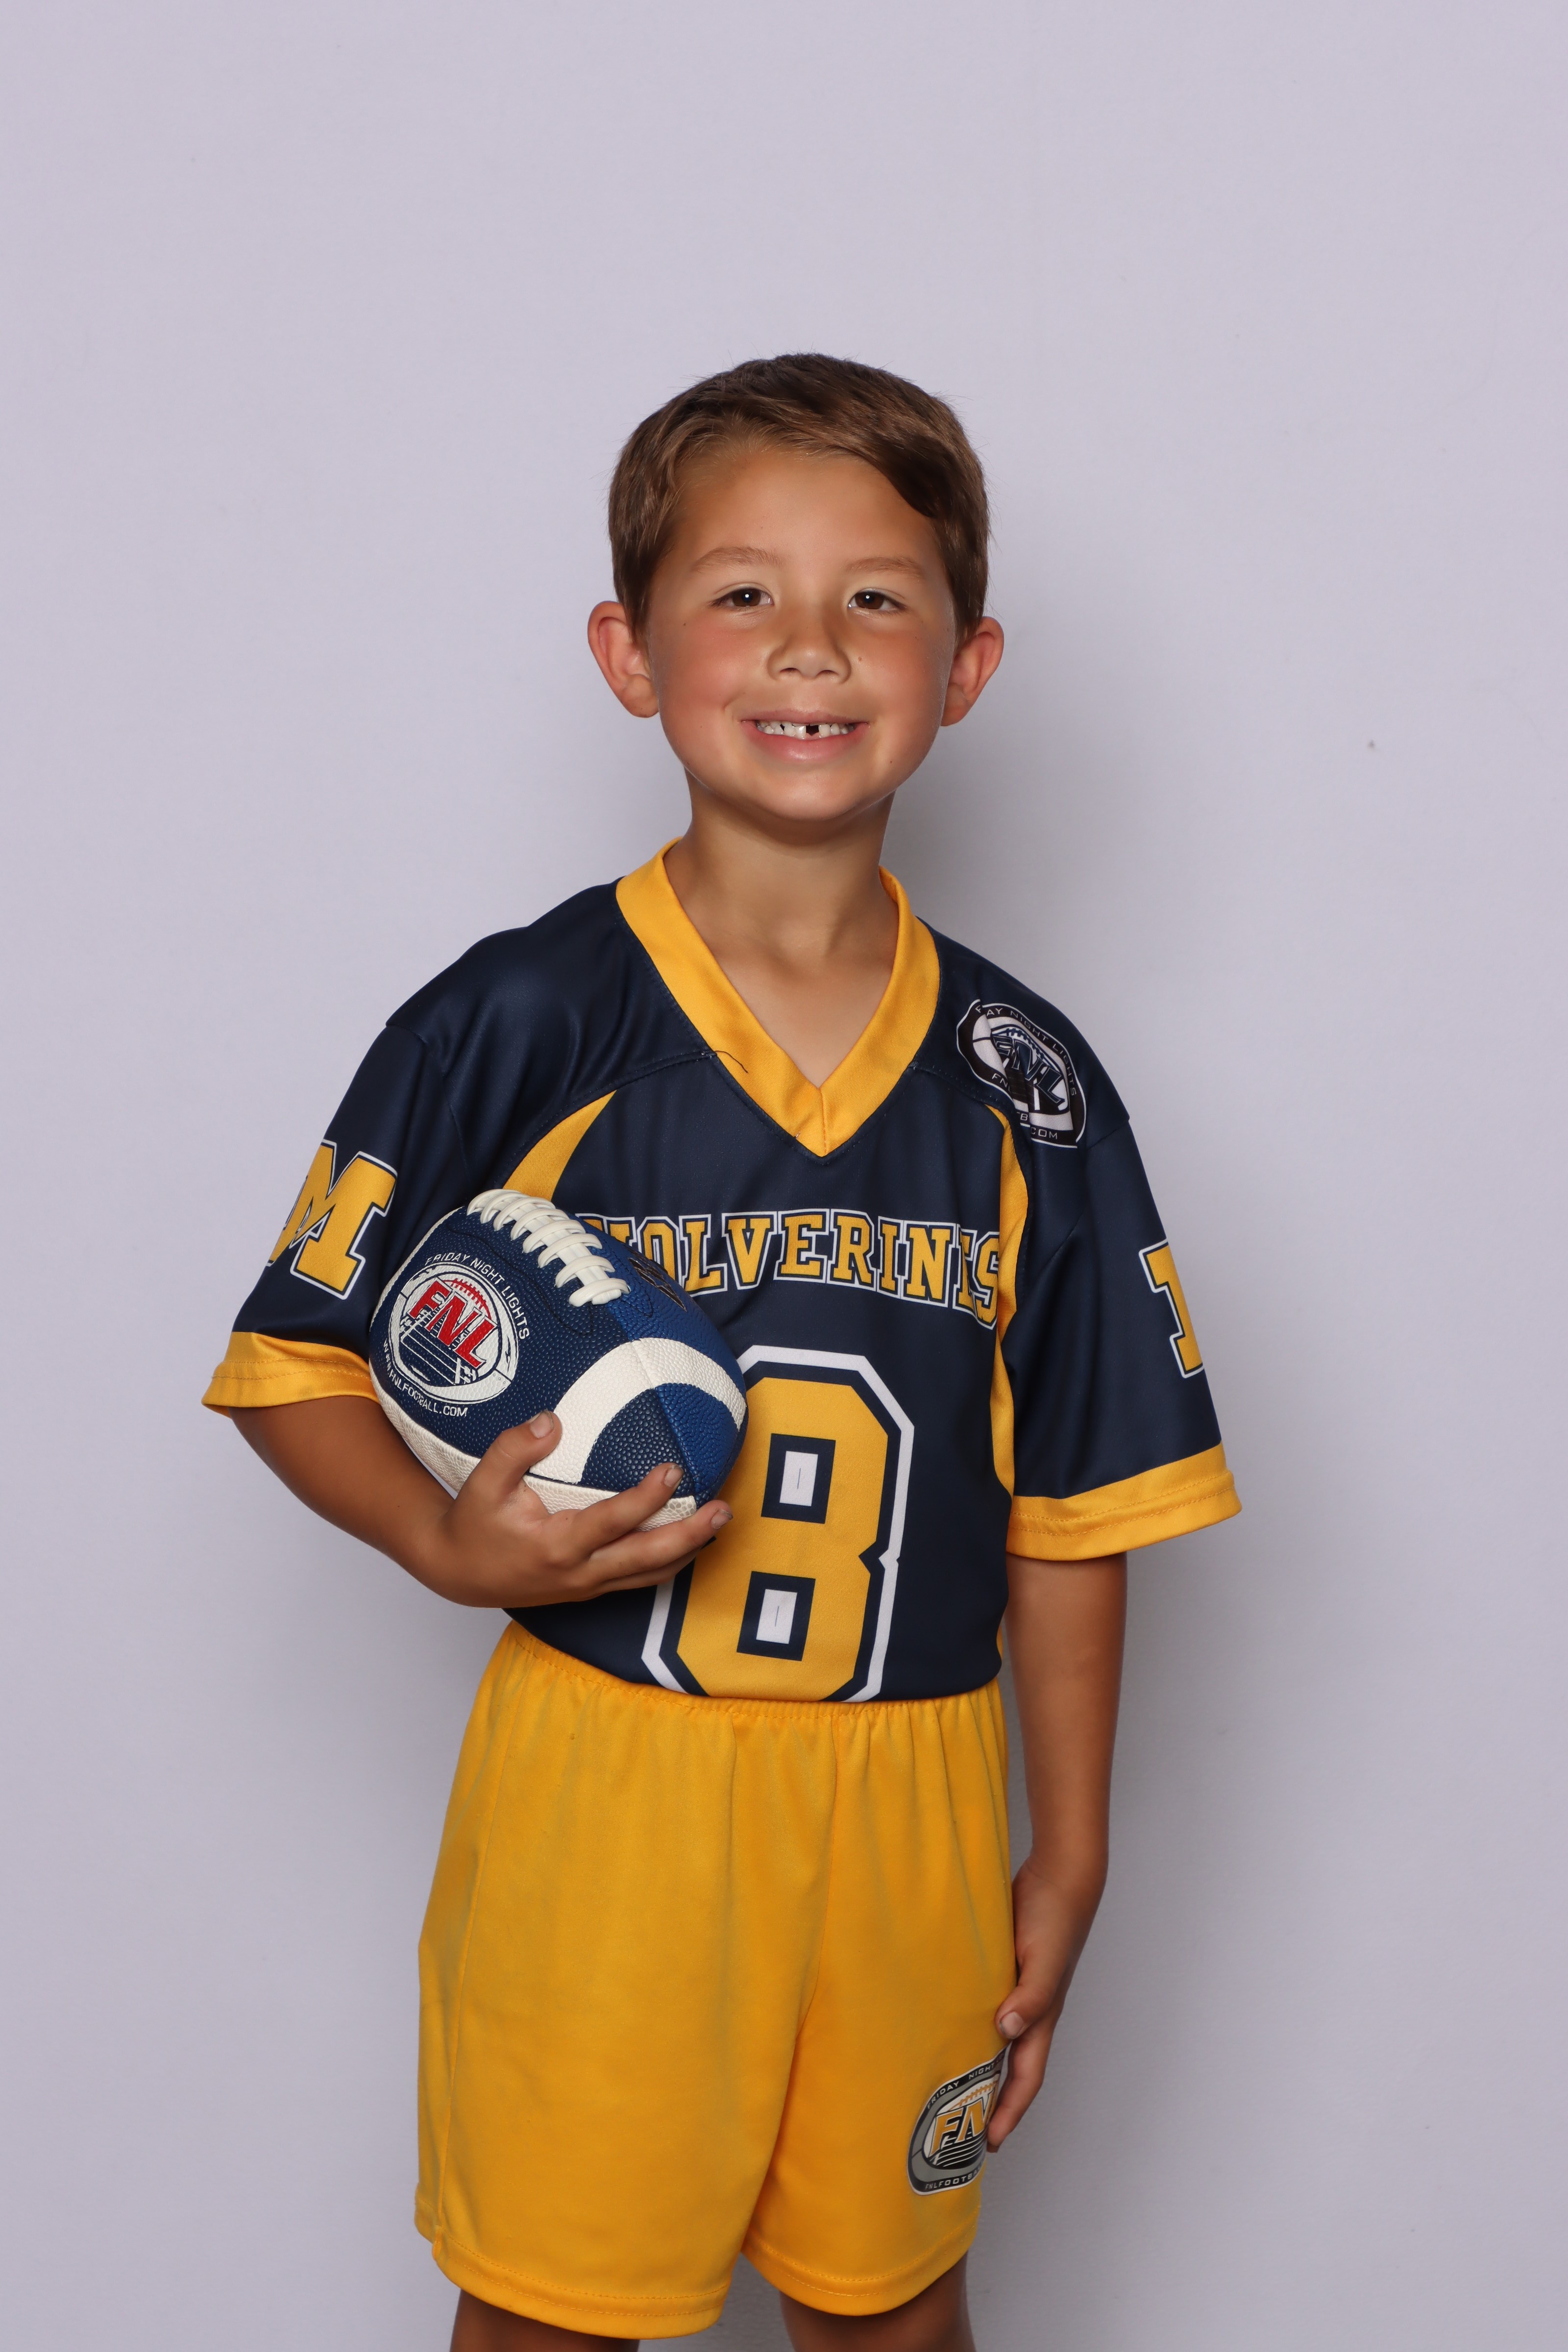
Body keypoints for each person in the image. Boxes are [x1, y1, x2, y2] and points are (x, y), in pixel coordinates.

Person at [204, 354, 1239, 2351]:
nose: (810, 646)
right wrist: (442, 1546)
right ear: (629, 651)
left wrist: (1075, 1846)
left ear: (966, 664)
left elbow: (1074, 1500)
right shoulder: (522, 1018)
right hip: (613, 1787)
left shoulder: (1023, 1080)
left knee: (890, 2314)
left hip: (917, 1795)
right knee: (556, 2317)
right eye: (742, 592)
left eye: (877, 597)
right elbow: (297, 1362)